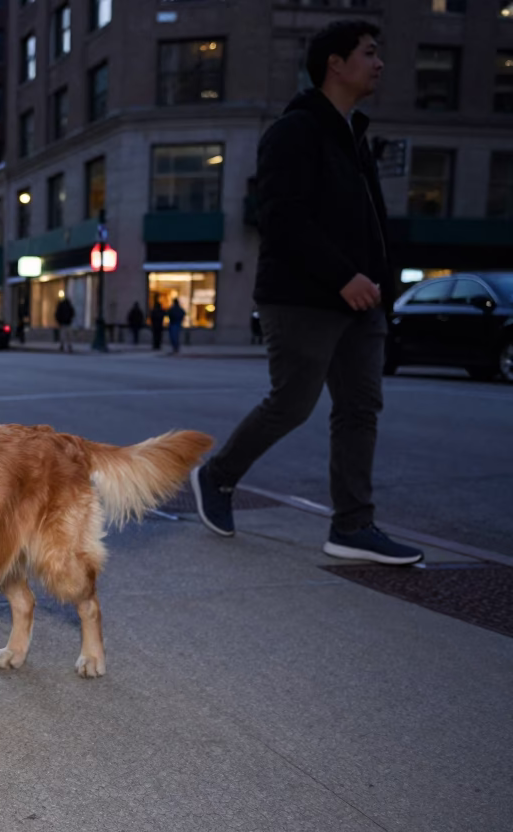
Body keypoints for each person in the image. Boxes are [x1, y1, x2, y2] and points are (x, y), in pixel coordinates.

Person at [190, 20, 422, 566]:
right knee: (293, 402)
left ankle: (353, 526)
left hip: (363, 300)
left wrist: (380, 283)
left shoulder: (353, 136)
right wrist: (343, 275)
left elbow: (369, 222)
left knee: (361, 408)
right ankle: (218, 477)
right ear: (334, 65)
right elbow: (282, 218)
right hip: (302, 297)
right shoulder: (295, 131)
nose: (379, 63)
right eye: (369, 53)